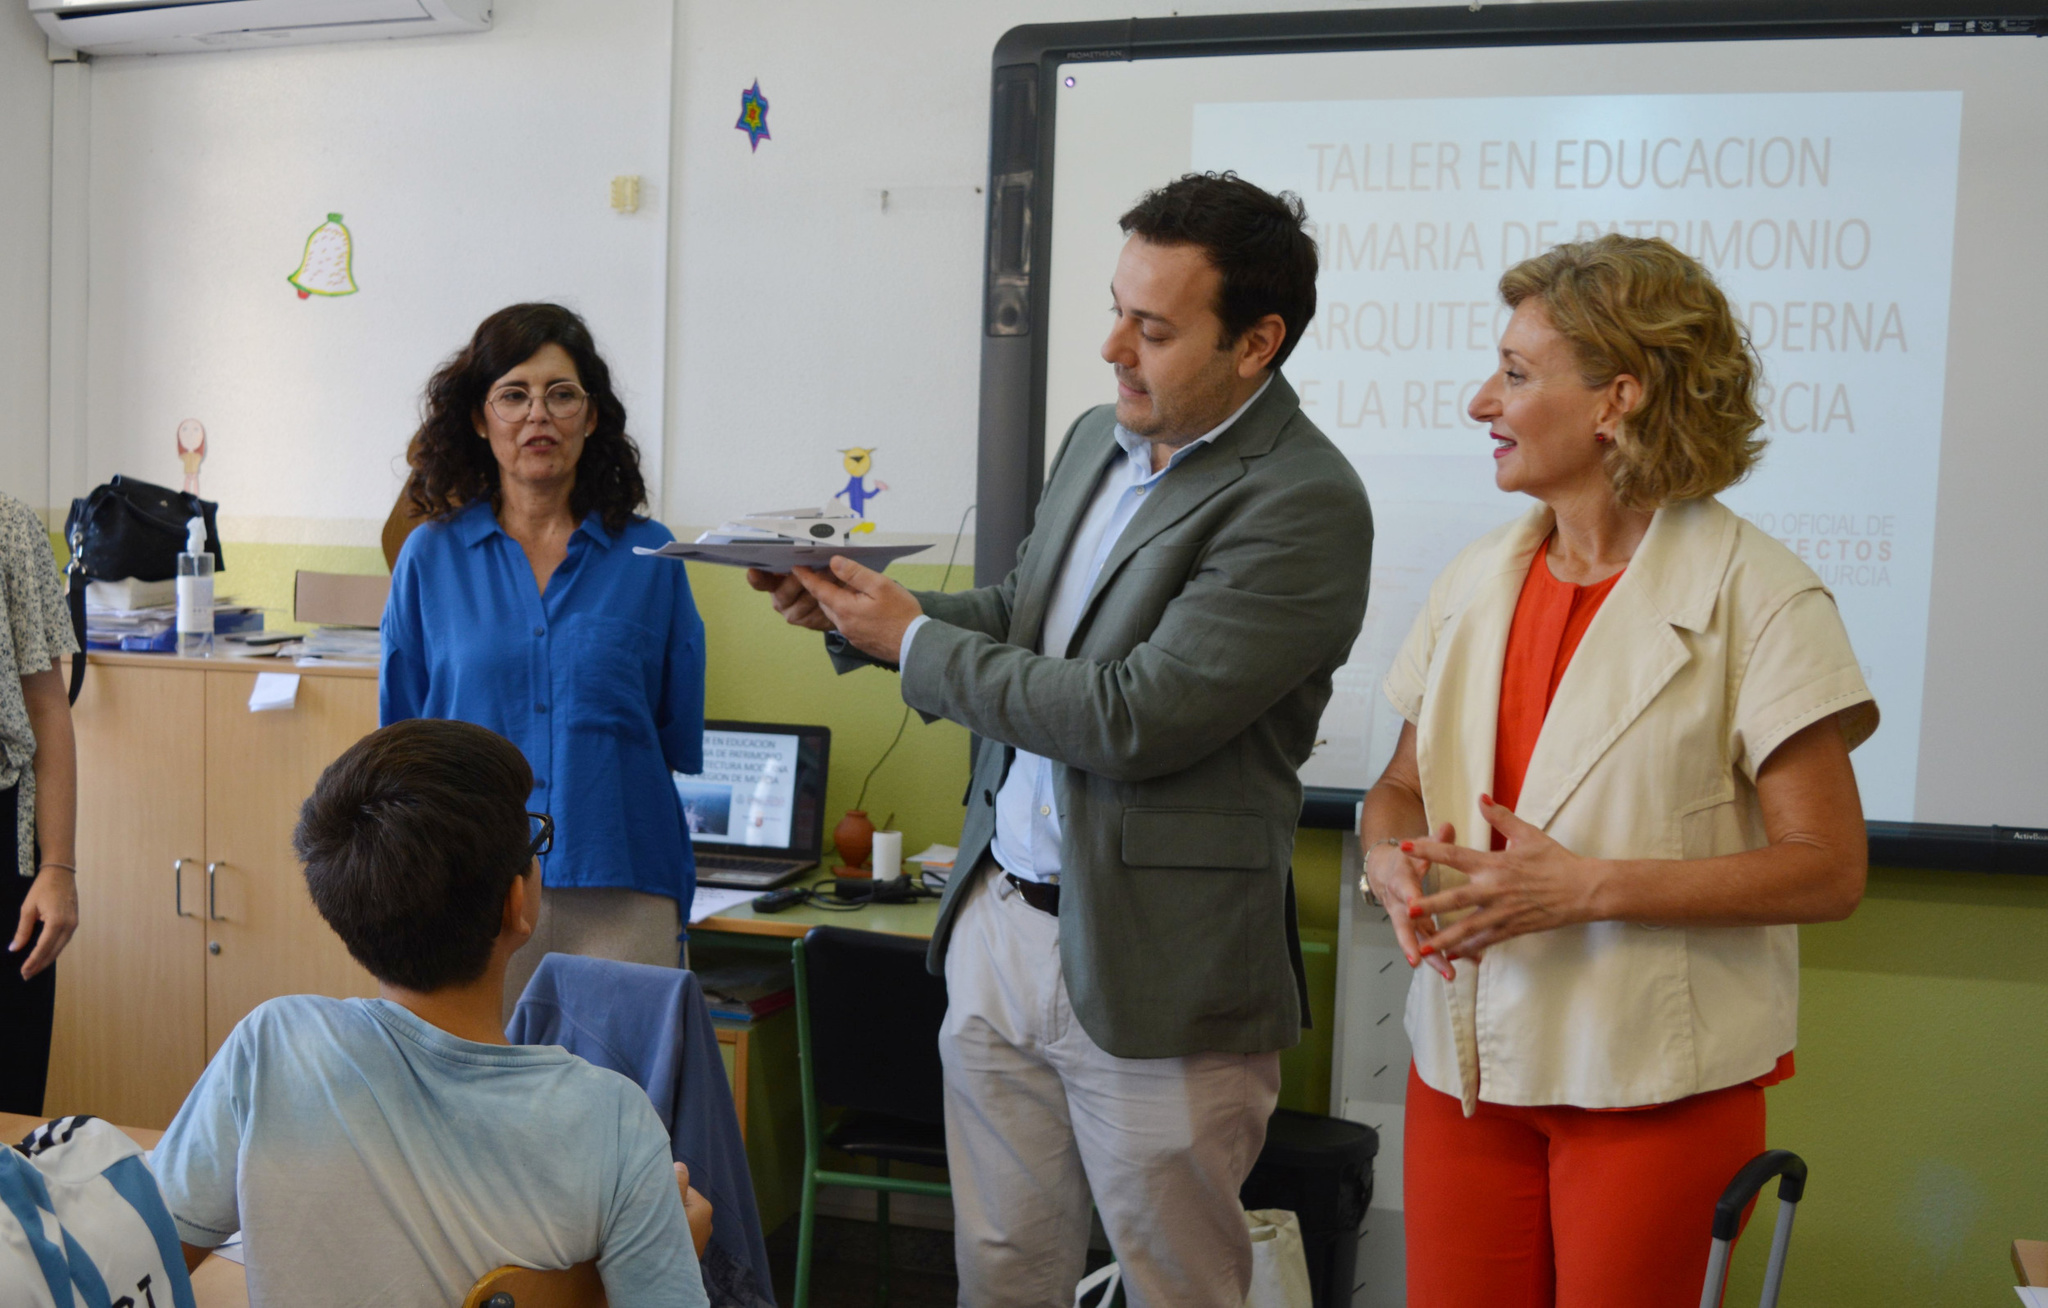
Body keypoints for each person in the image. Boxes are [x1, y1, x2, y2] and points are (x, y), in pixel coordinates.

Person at [751, 172, 1373, 1308]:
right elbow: (1022, 620)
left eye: (1150, 328)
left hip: (1159, 962)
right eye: (1113, 309)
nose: (1109, 349)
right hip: (1001, 920)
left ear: (1256, 342)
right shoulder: (1097, 438)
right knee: (998, 1270)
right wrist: (862, 614)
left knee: (1173, 1284)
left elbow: (1132, 715)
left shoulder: (1303, 500)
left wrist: (913, 648)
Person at [1360, 235, 1877, 1306]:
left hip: (1649, 1083)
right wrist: (1382, 857)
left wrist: (1586, 886)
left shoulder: (1759, 595)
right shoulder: (1473, 578)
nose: (1477, 402)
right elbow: (1401, 789)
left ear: (1616, 400)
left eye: (1512, 373)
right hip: (1462, 1072)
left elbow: (1826, 869)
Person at [151, 718, 715, 1305]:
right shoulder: (613, 1120)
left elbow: (143, 1258)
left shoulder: (273, 1045)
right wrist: (670, 1250)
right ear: (516, 905)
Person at [382, 303, 706, 1014]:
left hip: (623, 880)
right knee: (477, 1112)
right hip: (472, 891)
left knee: (623, 1110)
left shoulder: (653, 555)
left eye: (562, 395)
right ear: (478, 417)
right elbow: (405, 743)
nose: (539, 417)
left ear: (592, 418)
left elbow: (672, 730)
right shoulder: (428, 558)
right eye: (514, 395)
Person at [0, 491, 79, 1114]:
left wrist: (58, 866)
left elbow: (47, 704)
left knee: (11, 1094)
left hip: (8, 840)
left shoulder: (10, 526)